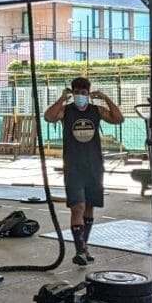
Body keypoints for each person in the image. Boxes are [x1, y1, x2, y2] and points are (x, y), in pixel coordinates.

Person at [43, 76, 123, 266]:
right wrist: (62, 98)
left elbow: (118, 118)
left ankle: (84, 246)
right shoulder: (67, 111)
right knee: (77, 206)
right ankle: (79, 251)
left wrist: (105, 98)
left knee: (89, 207)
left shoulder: (96, 110)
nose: (80, 96)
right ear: (73, 93)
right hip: (74, 166)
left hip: (94, 166)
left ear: (89, 93)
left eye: (84, 93)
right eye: (77, 92)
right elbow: (48, 117)